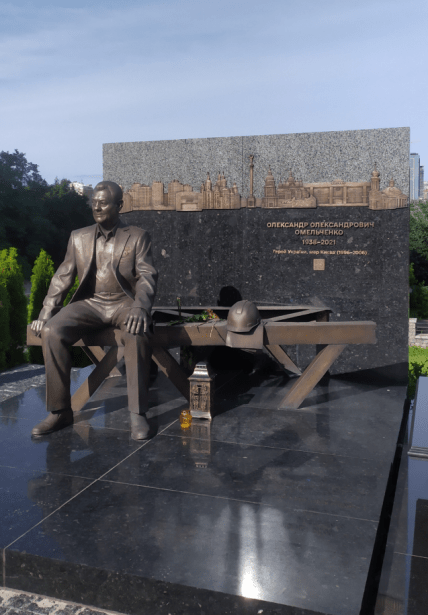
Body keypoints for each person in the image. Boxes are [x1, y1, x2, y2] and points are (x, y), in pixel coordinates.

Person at [31, 181, 158, 440]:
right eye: (94, 203)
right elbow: (63, 277)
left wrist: (140, 306)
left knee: (136, 332)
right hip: (90, 303)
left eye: (103, 203)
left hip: (124, 303)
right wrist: (45, 314)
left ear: (119, 205)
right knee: (52, 331)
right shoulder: (79, 237)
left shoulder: (137, 236)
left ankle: (137, 412)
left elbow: (147, 276)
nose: (96, 207)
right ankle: (60, 411)